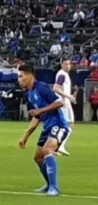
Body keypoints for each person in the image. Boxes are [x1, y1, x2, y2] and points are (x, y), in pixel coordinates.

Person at [17, 65, 67, 196]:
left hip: (59, 124)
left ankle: (54, 189)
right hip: (47, 127)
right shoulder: (30, 94)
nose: (19, 79)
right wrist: (25, 137)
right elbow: (37, 116)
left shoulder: (42, 87)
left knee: (47, 150)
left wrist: (40, 110)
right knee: (38, 158)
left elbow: (59, 102)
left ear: (30, 76)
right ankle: (49, 185)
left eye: (21, 76)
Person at [53, 58, 75, 156]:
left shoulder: (64, 74)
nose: (68, 66)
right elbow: (56, 87)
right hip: (63, 103)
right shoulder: (62, 74)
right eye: (65, 64)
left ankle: (58, 146)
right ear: (61, 64)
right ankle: (58, 146)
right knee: (67, 125)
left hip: (64, 102)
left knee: (66, 125)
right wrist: (68, 96)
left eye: (69, 64)